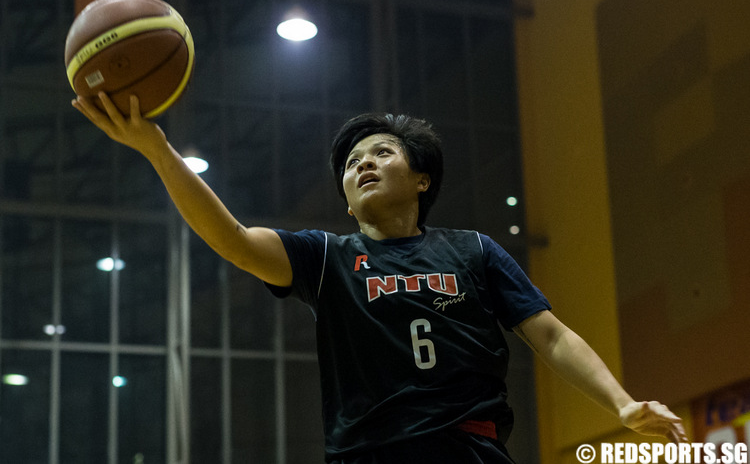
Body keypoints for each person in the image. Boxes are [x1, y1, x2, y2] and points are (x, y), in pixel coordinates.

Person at [73, 93, 687, 463]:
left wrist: (623, 403)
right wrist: (157, 150)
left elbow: (550, 336)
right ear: (345, 198)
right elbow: (231, 240)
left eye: (382, 153)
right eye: (351, 163)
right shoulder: (326, 258)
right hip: (367, 454)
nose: (362, 163)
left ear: (422, 179)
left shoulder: (472, 250)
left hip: (464, 446)